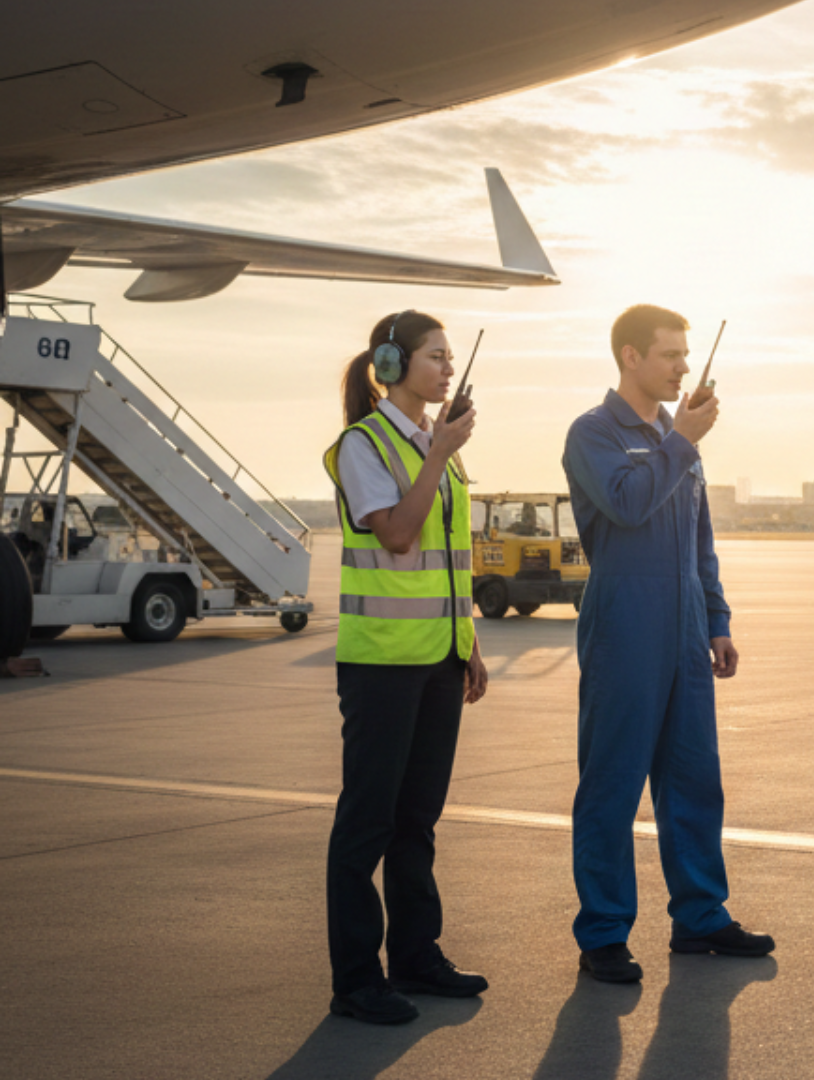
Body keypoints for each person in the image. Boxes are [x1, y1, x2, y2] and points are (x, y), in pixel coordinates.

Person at [562, 304, 773, 984]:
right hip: (625, 625)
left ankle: (701, 917)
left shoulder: (674, 437)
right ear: (631, 357)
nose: (685, 366)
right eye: (671, 354)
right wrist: (679, 441)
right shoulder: (593, 433)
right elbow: (626, 505)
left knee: (692, 781)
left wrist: (717, 619)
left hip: (684, 629)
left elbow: (700, 541)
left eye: (687, 354)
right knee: (613, 783)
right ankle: (603, 933)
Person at [321, 310, 490, 1024]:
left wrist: (469, 645)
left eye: (451, 357)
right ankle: (357, 979)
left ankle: (416, 956)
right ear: (390, 365)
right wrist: (436, 455)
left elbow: (447, 561)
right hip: (383, 663)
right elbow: (395, 535)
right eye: (435, 355)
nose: (447, 367)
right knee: (368, 820)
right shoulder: (364, 445)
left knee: (417, 818)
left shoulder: (435, 448)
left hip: (438, 660)